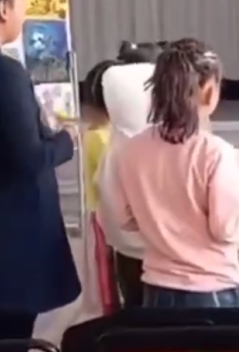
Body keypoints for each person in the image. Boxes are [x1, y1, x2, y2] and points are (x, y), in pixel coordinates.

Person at [111, 38, 239, 308]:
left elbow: (125, 218)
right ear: (208, 91)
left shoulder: (129, 150)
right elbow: (227, 228)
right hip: (213, 291)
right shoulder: (215, 153)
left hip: (156, 290)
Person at [0, 0, 80, 340]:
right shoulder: (4, 74)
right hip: (7, 247)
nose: (24, 10)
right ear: (3, 8)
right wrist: (65, 141)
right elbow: (29, 160)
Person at [98, 41, 164, 308]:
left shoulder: (116, 145)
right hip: (168, 252)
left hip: (125, 245)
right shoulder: (164, 144)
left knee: (133, 304)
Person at [79, 59, 119, 314]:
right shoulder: (100, 137)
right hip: (105, 214)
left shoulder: (104, 133)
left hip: (108, 212)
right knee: (107, 267)